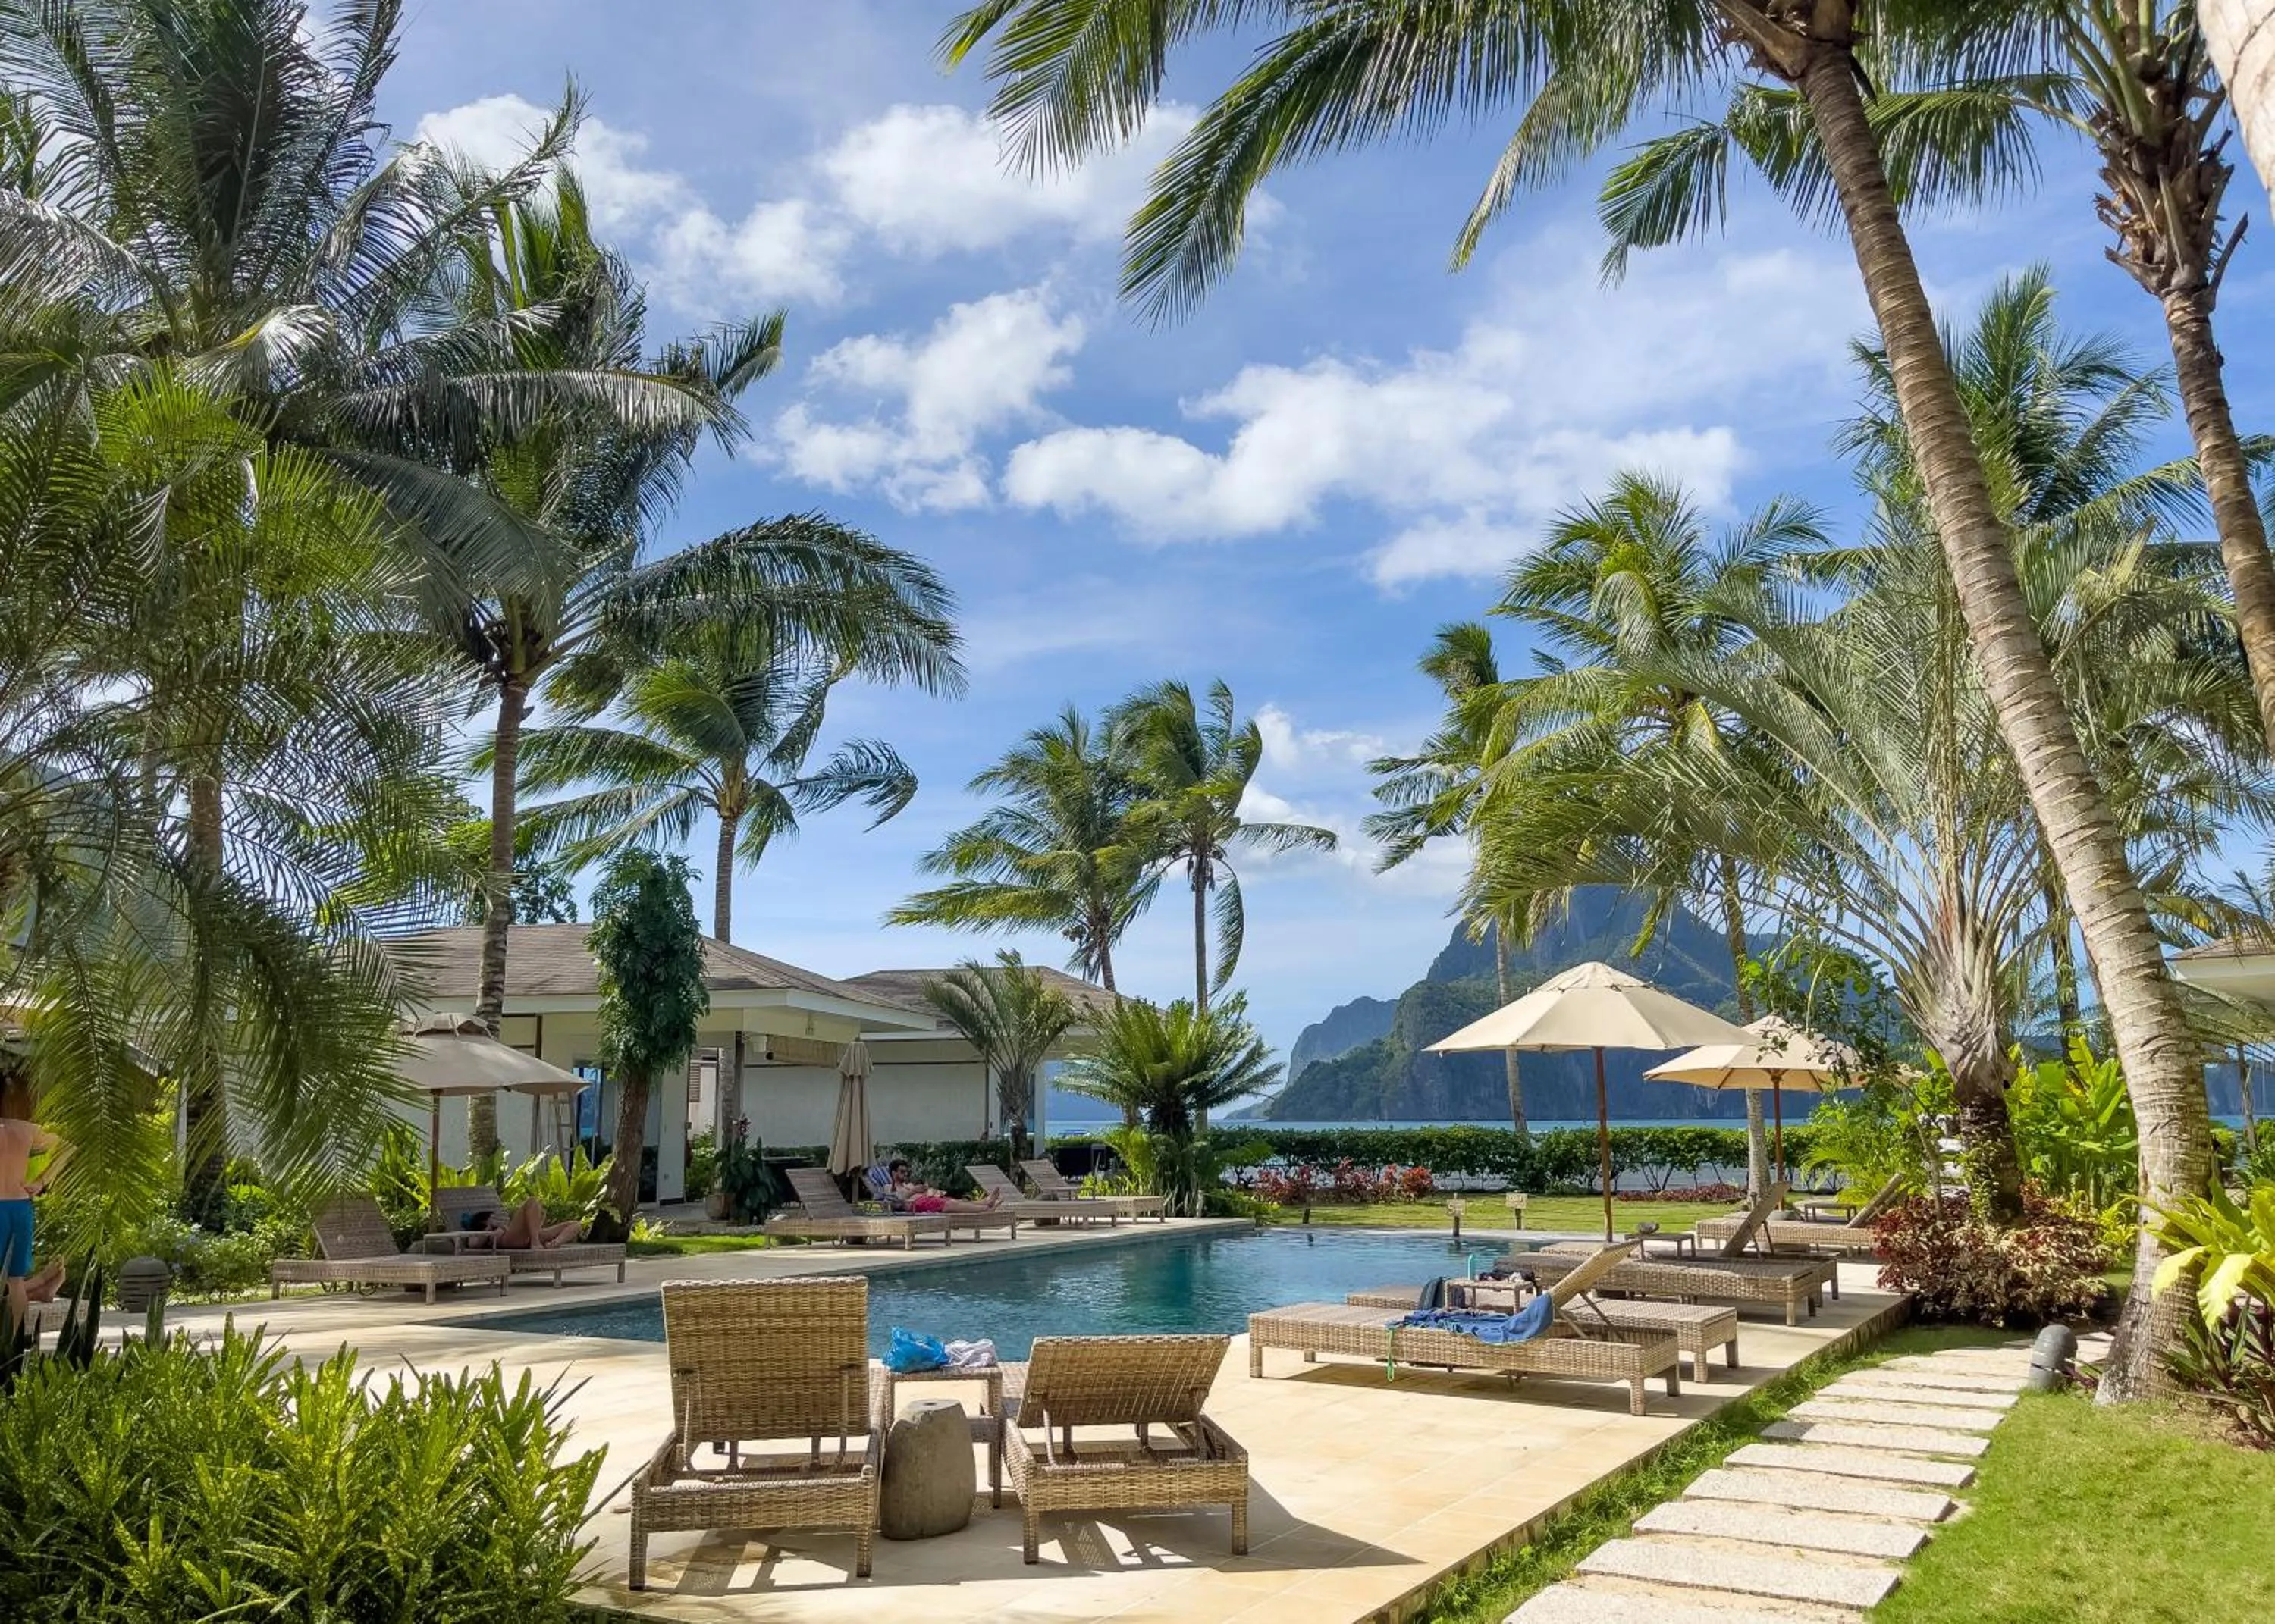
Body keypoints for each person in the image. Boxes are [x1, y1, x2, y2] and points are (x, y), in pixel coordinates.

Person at [0, 1080, 68, 1329]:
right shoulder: (30, 1130)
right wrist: (41, 1182)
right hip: (19, 1207)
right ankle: (16, 1339)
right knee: (15, 1280)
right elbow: (65, 1150)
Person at [885, 1158, 1004, 1215]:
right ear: (894, 1173)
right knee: (951, 1205)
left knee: (955, 1201)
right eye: (902, 1172)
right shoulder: (889, 1187)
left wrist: (928, 1191)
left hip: (926, 1200)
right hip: (917, 1205)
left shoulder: (908, 1185)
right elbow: (896, 1201)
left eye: (907, 1172)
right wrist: (914, 1191)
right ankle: (986, 1209)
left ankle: (985, 1202)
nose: (906, 1174)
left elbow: (918, 1193)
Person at [488, 1196, 582, 1250]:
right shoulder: (485, 1222)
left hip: (532, 1236)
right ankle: (535, 1243)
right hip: (507, 1238)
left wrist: (557, 1241)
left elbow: (575, 1226)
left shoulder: (538, 1232)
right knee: (532, 1201)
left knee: (576, 1224)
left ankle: (555, 1244)